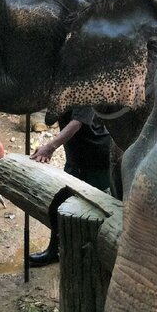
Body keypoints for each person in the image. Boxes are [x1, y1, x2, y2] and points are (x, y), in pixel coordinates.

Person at [27, 107, 113, 267]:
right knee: (58, 206)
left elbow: (77, 123)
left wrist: (50, 146)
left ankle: (97, 258)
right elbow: (50, 116)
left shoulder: (84, 86)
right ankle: (56, 250)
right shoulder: (63, 86)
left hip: (95, 156)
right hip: (76, 156)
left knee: (98, 210)